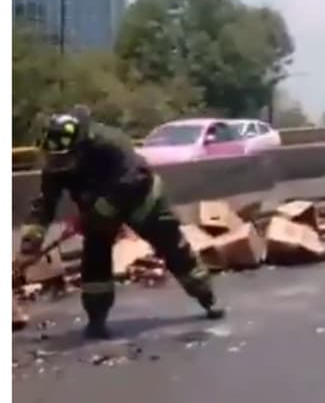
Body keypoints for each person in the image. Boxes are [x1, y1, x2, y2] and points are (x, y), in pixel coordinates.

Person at [18, 107, 225, 340]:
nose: (57, 163)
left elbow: (135, 176)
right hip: (96, 211)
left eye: (63, 158)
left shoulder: (110, 143)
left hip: (142, 201)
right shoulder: (56, 164)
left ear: (81, 146)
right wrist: (30, 243)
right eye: (53, 158)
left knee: (172, 247)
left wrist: (105, 207)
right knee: (95, 261)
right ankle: (96, 318)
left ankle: (206, 297)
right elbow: (44, 204)